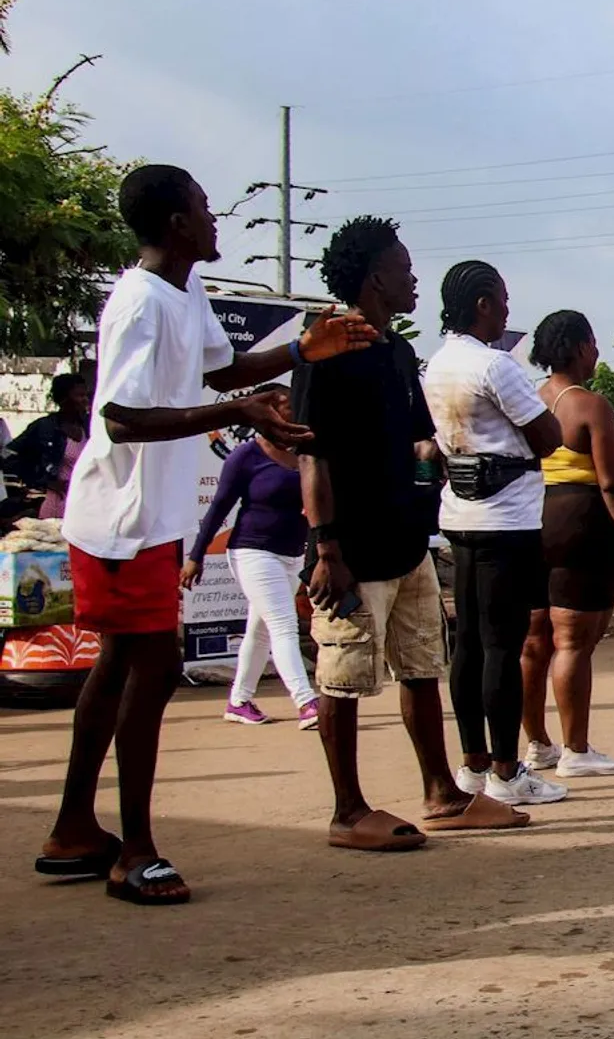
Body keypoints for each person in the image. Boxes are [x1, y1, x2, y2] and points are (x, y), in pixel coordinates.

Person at [36, 165, 372, 902]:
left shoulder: (186, 294)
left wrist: (301, 351)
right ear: (175, 224)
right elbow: (121, 417)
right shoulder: (139, 303)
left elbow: (222, 374)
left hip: (147, 518)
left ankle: (73, 830)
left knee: (121, 664)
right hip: (121, 518)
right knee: (150, 668)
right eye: (203, 207)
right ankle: (135, 851)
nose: (214, 218)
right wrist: (243, 413)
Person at [297, 217, 528, 850]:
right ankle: (348, 810)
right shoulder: (325, 352)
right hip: (352, 553)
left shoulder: (398, 353)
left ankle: (442, 794)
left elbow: (416, 440)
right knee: (341, 679)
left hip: (406, 544)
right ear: (376, 278)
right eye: (404, 268)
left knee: (422, 667)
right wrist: (326, 548)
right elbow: (312, 457)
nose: (414, 278)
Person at [424, 261, 568, 807]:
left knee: (468, 645)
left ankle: (471, 763)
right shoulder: (495, 366)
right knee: (502, 647)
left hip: (459, 516)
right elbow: (549, 435)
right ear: (483, 304)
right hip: (507, 519)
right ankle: (508, 772)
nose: (508, 309)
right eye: (502, 299)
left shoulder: (438, 364)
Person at [520, 310, 614, 778]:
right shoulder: (590, 406)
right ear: (576, 347)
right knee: (573, 640)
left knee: (533, 642)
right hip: (580, 524)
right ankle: (576, 750)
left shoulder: (530, 401)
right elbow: (613, 484)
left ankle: (537, 745)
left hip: (531, 521)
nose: (596, 353)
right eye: (592, 344)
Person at [181, 397, 318, 727]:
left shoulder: (305, 452)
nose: (292, 409)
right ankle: (307, 702)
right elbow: (218, 508)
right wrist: (196, 556)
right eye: (284, 404)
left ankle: (239, 701)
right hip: (252, 552)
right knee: (283, 626)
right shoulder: (246, 455)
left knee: (260, 632)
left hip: (291, 554)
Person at [8, 373, 91, 518]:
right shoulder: (44, 427)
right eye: (79, 395)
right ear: (64, 399)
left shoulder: (91, 428)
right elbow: (8, 455)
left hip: (87, 503)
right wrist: (44, 481)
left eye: (86, 395)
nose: (85, 400)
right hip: (58, 502)